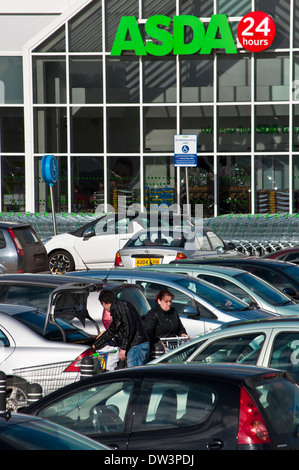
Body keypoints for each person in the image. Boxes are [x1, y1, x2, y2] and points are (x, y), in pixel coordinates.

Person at [92, 290, 150, 367]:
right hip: (137, 345)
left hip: (136, 346)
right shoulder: (119, 306)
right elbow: (112, 330)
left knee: (134, 375)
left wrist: (123, 348)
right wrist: (96, 344)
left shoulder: (120, 306)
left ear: (103, 303)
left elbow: (128, 327)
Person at [144, 289, 190, 357]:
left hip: (173, 346)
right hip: (159, 349)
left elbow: (179, 327)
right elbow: (148, 333)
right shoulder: (153, 314)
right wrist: (157, 341)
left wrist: (183, 334)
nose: (169, 304)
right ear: (159, 301)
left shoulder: (173, 311)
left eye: (170, 301)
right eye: (166, 301)